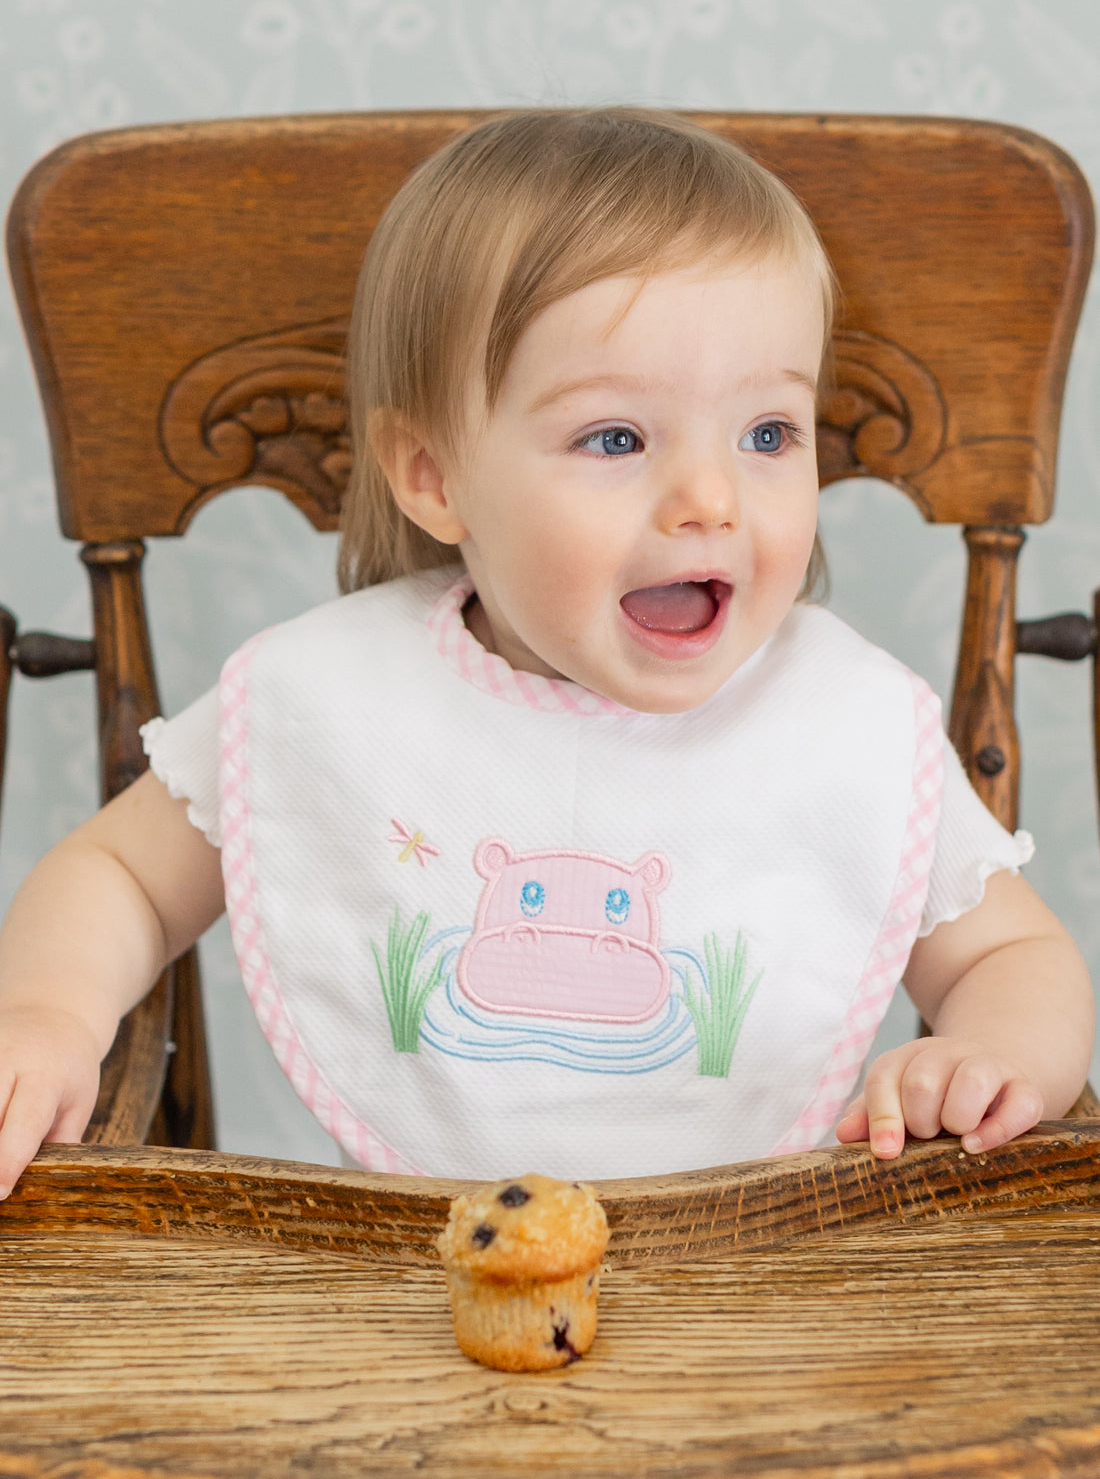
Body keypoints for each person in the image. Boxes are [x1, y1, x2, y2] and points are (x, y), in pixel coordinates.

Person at [0, 107, 1092, 1194]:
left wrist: (993, 1055)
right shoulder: (335, 698)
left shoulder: (842, 721)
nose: (709, 499)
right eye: (614, 438)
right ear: (433, 475)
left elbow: (1011, 958)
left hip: (767, 1289)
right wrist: (47, 1016)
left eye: (767, 434)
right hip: (398, 1283)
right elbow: (123, 877)